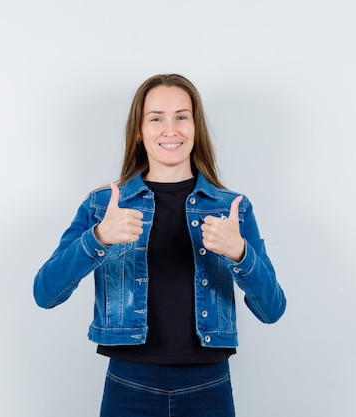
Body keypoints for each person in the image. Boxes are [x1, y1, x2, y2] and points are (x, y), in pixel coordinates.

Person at [34, 74, 286, 417]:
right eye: (156, 118)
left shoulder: (233, 208)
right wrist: (98, 238)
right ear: (139, 131)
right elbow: (45, 293)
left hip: (208, 388)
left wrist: (240, 253)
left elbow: (272, 310)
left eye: (182, 116)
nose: (171, 130)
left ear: (195, 127)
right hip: (129, 386)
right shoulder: (103, 205)